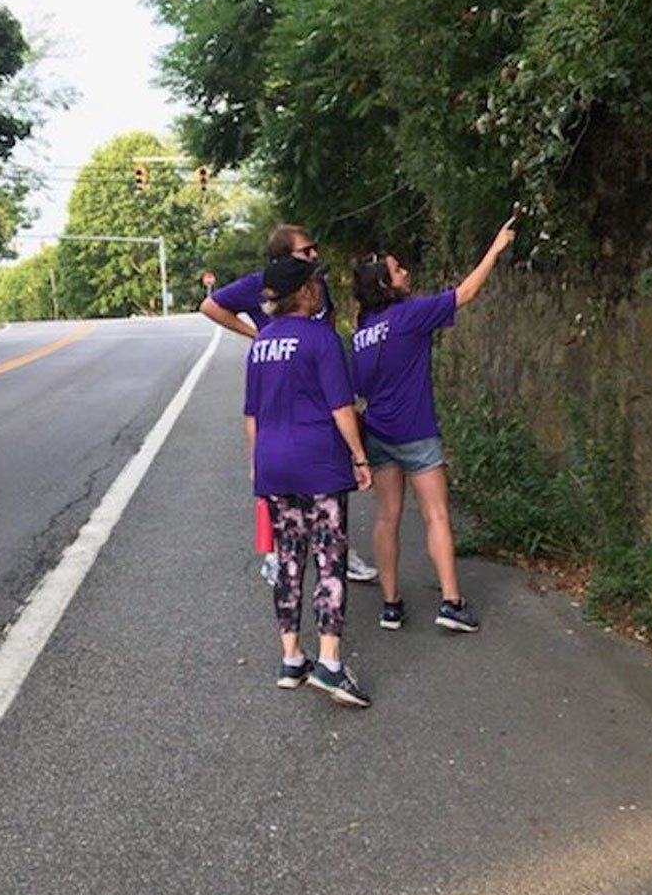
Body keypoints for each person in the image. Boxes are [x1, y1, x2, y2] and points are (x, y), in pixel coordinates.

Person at [350, 214, 516, 633]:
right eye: (398, 269)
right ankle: (451, 602)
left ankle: (390, 606)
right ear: (387, 284)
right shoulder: (411, 315)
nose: (406, 271)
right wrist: (495, 248)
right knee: (437, 515)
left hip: (378, 434)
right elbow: (466, 292)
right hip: (418, 432)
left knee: (388, 518)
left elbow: (357, 389)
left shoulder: (362, 334)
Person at [201, 224, 378, 585]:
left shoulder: (316, 283)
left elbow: (324, 324)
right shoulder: (260, 283)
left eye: (314, 248)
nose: (314, 255)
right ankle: (275, 552)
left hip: (319, 381)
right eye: (305, 250)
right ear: (283, 259)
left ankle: (339, 551)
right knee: (281, 467)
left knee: (330, 466)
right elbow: (210, 306)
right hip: (282, 384)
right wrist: (257, 334)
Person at [245, 255, 373, 708]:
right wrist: (359, 457)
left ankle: (291, 658)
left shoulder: (260, 344)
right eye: (315, 283)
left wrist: (256, 466)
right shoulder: (322, 338)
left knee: (288, 561)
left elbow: (253, 416)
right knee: (329, 560)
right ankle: (330, 665)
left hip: (274, 467)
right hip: (319, 465)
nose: (320, 288)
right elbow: (341, 408)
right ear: (304, 292)